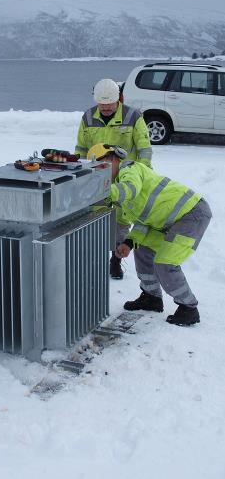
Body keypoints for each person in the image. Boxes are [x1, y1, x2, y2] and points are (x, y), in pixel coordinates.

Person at [87, 143, 212, 326]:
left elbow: (130, 189)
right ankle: (151, 298)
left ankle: (189, 308)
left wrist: (102, 193)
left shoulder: (129, 169)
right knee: (143, 251)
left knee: (165, 262)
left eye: (101, 166)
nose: (100, 173)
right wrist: (129, 242)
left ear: (114, 158)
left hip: (191, 214)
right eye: (95, 169)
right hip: (166, 221)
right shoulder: (118, 184)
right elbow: (144, 221)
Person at [77, 78, 152, 279]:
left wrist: (142, 173)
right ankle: (92, 257)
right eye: (102, 104)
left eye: (109, 104)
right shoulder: (87, 117)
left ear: (118, 98)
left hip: (126, 177)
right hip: (97, 176)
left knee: (121, 220)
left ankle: (116, 259)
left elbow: (144, 148)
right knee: (94, 216)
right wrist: (81, 172)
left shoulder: (133, 116)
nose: (106, 108)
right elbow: (81, 148)